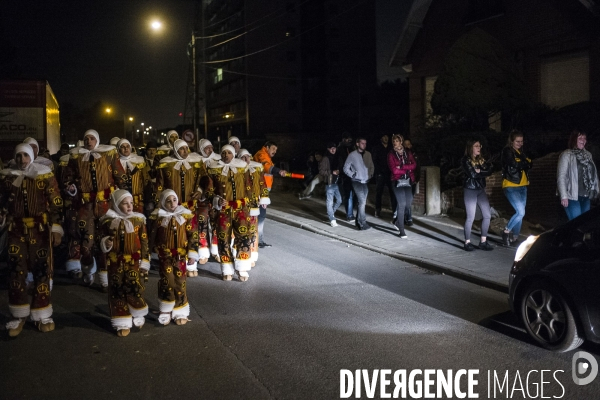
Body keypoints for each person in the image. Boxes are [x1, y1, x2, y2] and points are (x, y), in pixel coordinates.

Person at [1, 143, 64, 336]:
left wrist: (56, 228)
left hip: (40, 229)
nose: (22, 160)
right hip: (16, 229)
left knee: (42, 269)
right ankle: (18, 314)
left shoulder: (44, 175)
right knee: (16, 269)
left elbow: (55, 202)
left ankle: (41, 312)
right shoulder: (7, 177)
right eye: (19, 156)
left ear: (31, 157)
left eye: (25, 156)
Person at [63, 129, 117, 290]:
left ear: (97, 140)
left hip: (106, 205)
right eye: (86, 138)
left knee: (106, 241)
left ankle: (105, 276)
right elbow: (68, 179)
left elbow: (119, 175)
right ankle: (88, 269)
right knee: (86, 244)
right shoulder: (76, 157)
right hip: (85, 206)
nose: (89, 141)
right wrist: (71, 188)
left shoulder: (109, 155)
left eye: (92, 138)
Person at [99, 189, 150, 337]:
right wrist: (106, 243)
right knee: (117, 289)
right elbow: (100, 240)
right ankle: (121, 320)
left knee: (135, 286)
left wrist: (145, 260)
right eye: (124, 204)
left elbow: (144, 241)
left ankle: (137, 311)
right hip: (115, 262)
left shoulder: (139, 221)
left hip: (133, 261)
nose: (129, 206)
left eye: (131, 203)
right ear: (115, 204)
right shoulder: (108, 221)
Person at [155, 139, 209, 276]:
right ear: (175, 150)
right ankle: (175, 262)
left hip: (190, 206)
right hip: (172, 207)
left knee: (192, 233)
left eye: (186, 148)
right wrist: (159, 204)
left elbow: (205, 179)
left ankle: (192, 265)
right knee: (177, 235)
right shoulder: (165, 164)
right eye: (181, 149)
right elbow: (159, 186)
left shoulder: (196, 162)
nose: (185, 152)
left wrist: (201, 190)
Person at [150, 190, 198, 326]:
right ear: (163, 202)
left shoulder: (185, 215)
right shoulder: (158, 217)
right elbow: (152, 236)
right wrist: (146, 254)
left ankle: (180, 309)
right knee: (167, 280)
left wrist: (192, 253)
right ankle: (166, 307)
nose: (172, 204)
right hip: (165, 256)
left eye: (174, 200)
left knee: (180, 281)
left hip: (180, 256)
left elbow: (192, 234)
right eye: (168, 201)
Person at [207, 145, 255, 281]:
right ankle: (227, 267)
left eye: (229, 152)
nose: (226, 155)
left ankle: (242, 267)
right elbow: (210, 191)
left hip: (241, 209)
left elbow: (249, 187)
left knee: (244, 237)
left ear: (233, 154)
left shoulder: (242, 167)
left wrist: (249, 204)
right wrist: (216, 200)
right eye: (223, 153)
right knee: (223, 239)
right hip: (223, 211)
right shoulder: (213, 169)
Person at [557, 130, 599, 220]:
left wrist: (595, 189)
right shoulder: (566, 155)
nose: (583, 140)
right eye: (580, 138)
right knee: (576, 224)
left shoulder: (588, 155)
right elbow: (561, 176)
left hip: (586, 196)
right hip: (572, 197)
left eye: (584, 138)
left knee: (584, 225)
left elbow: (593, 175)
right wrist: (564, 196)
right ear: (574, 139)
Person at [237, 149, 269, 266]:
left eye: (247, 157)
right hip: (241, 204)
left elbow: (262, 183)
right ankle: (242, 254)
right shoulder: (237, 170)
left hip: (254, 203)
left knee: (253, 230)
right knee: (241, 229)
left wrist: (264, 197)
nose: (246, 159)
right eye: (243, 157)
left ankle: (252, 254)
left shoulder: (256, 169)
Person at [461, 139, 493, 251]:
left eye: (480, 146)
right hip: (470, 189)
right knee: (471, 217)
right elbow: (473, 174)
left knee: (487, 215)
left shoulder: (481, 160)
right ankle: (467, 242)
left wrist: (481, 171)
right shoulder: (466, 160)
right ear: (471, 148)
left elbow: (489, 170)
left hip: (480, 189)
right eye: (476, 146)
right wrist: (480, 172)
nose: (479, 148)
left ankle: (483, 241)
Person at [501, 130, 533, 246]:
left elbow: (530, 164)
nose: (520, 143)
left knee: (521, 213)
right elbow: (514, 164)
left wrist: (524, 162)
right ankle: (506, 231)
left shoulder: (521, 152)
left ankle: (515, 238)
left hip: (523, 185)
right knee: (520, 212)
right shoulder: (507, 151)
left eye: (521, 141)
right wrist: (524, 162)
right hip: (511, 185)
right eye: (517, 141)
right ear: (512, 141)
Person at [253, 141, 288, 248]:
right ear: (266, 147)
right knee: (260, 215)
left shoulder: (266, 156)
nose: (275, 151)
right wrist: (278, 171)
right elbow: (266, 167)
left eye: (276, 150)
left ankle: (258, 239)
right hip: (259, 190)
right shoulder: (262, 154)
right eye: (273, 149)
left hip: (263, 191)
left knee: (260, 215)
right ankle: (257, 240)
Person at [388, 134, 416, 238]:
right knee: (402, 204)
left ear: (401, 142)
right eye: (394, 141)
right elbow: (394, 170)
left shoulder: (407, 153)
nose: (395, 142)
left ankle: (396, 221)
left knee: (408, 204)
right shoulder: (391, 154)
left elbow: (414, 165)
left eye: (397, 140)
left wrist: (403, 166)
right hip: (397, 181)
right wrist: (407, 169)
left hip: (407, 181)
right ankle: (402, 230)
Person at [343, 137, 374, 230]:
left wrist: (370, 174)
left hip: (365, 181)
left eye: (365, 143)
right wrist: (353, 175)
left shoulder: (368, 154)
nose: (364, 145)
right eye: (362, 143)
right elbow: (345, 168)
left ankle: (358, 221)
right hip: (356, 181)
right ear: (357, 144)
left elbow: (372, 166)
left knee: (361, 202)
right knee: (362, 201)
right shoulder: (352, 155)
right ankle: (362, 223)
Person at [112, 139, 150, 214]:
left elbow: (146, 179)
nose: (126, 149)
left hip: (137, 198)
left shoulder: (139, 160)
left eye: (127, 146)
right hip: (123, 199)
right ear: (118, 149)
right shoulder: (115, 163)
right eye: (122, 147)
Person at [371, 133, 396, 219]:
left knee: (392, 192)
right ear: (381, 138)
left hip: (390, 174)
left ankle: (394, 210)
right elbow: (374, 161)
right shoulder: (377, 148)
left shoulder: (391, 148)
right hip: (380, 174)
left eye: (387, 136)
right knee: (379, 192)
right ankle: (377, 210)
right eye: (384, 137)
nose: (386, 138)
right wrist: (378, 172)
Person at [320, 143, 342, 227]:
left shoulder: (337, 157)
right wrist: (331, 172)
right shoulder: (325, 158)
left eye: (334, 148)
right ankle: (332, 219)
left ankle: (331, 213)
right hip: (329, 183)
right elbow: (321, 171)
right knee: (330, 201)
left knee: (339, 200)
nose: (333, 150)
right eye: (331, 148)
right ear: (328, 149)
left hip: (336, 183)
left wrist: (338, 171)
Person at [337, 132, 356, 223]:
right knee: (348, 195)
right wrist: (343, 172)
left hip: (354, 175)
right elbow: (340, 163)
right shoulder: (340, 149)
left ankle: (351, 212)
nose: (349, 141)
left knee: (354, 195)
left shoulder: (352, 148)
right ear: (343, 139)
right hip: (345, 175)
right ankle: (349, 215)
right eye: (347, 139)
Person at [403, 138, 419, 226]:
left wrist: (417, 178)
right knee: (407, 200)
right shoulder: (401, 155)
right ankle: (408, 218)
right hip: (405, 180)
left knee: (409, 200)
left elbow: (417, 166)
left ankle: (406, 216)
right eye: (405, 144)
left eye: (408, 144)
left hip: (413, 180)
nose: (407, 146)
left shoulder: (414, 155)